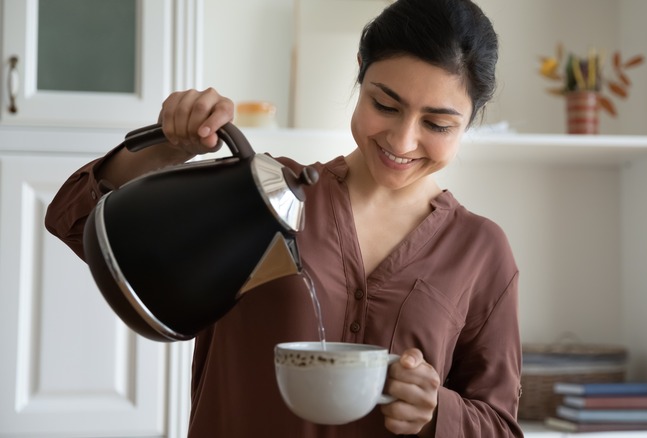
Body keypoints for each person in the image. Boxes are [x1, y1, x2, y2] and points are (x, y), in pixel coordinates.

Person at [45, 0, 524, 436]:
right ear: (360, 73)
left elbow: (500, 424)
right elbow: (78, 220)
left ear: (471, 118)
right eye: (385, 104)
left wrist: (436, 409)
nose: (402, 141)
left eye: (437, 124)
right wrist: (172, 149)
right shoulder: (259, 193)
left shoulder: (481, 251)